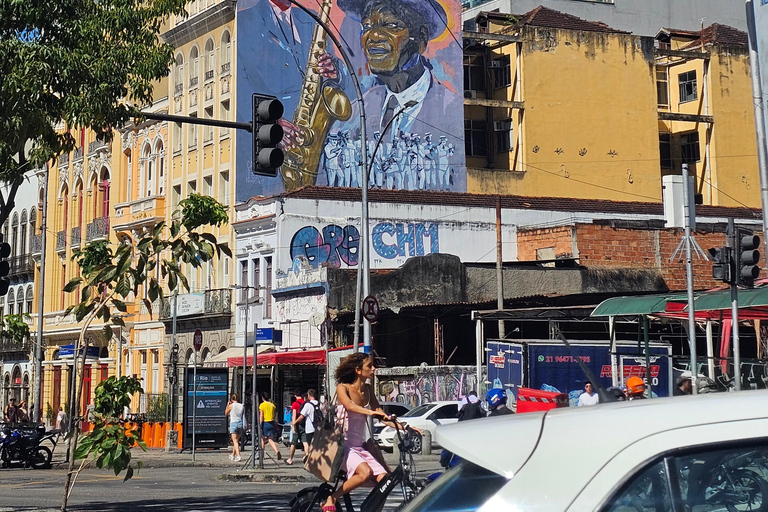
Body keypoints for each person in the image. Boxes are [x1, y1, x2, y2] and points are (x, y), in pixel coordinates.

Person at [336, 0, 461, 192]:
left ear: (421, 39)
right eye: (367, 26)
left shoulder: (449, 107)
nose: (374, 35)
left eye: (391, 25)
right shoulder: (356, 111)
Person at [323, 352, 393, 512]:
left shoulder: (368, 390)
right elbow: (350, 406)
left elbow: (381, 414)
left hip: (359, 447)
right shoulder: (343, 388)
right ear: (358, 370)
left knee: (385, 481)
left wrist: (405, 426)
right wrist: (370, 413)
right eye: (369, 366)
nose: (374, 369)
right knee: (365, 472)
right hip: (343, 447)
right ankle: (332, 497)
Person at [289, 388, 320, 465]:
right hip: (318, 427)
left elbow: (299, 416)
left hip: (308, 427)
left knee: (295, 442)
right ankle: (309, 456)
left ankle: (291, 458)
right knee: (307, 442)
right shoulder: (319, 404)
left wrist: (294, 423)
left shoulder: (303, 404)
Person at [259, 393, 282, 460]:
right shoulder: (272, 405)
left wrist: (260, 423)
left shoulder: (262, 405)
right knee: (270, 439)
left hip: (265, 423)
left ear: (263, 398)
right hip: (271, 423)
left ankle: (262, 455)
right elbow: (274, 414)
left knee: (262, 439)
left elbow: (261, 415)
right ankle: (277, 451)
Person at [286, 391, 305, 465]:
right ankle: (307, 457)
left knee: (294, 442)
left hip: (297, 424)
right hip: (304, 424)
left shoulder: (295, 404)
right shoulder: (305, 402)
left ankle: (290, 459)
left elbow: (294, 416)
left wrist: (293, 426)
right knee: (305, 442)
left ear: (295, 396)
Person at [225, 394, 245, 462]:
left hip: (233, 423)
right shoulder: (242, 406)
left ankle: (238, 456)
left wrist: (228, 404)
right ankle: (232, 455)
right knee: (236, 441)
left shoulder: (231, 406)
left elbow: (226, 413)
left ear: (232, 399)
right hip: (240, 423)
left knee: (235, 441)